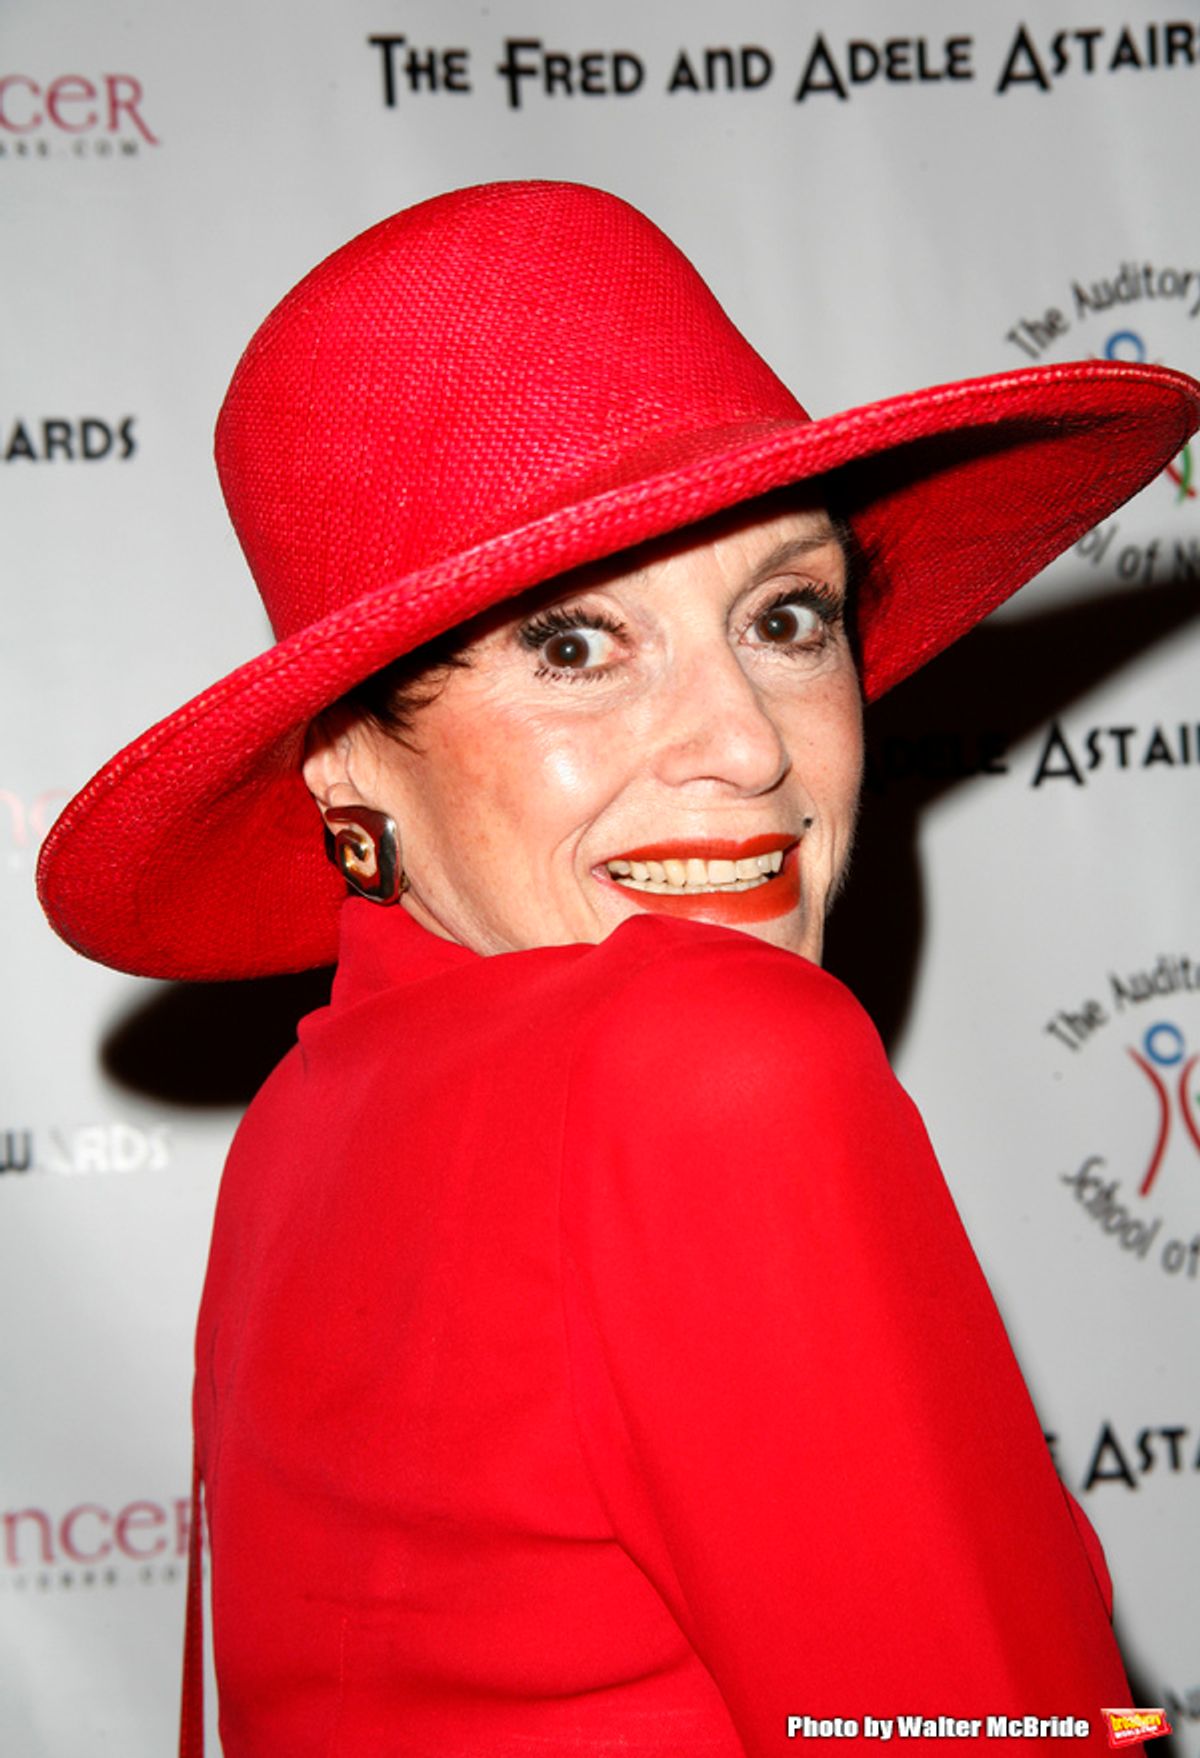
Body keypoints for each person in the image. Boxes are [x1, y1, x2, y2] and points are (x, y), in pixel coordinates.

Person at [37, 181, 1199, 1757]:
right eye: (574, 646)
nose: (746, 743)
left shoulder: (295, 1132)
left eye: (787, 615)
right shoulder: (720, 1061)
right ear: (347, 760)